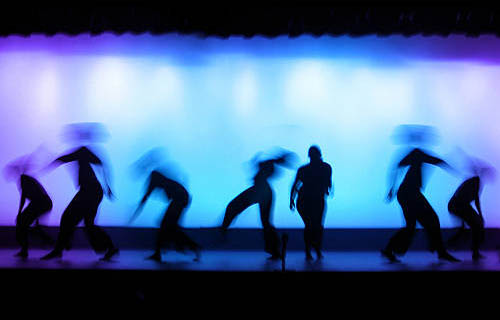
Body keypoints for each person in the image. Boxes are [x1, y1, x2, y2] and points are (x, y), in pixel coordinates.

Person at [381, 126, 460, 263]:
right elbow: (437, 161)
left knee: (412, 226)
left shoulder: (417, 153)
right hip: (409, 193)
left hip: (408, 193)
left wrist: (392, 189)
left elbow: (399, 167)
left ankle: (389, 249)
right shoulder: (417, 153)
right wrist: (454, 169)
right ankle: (440, 251)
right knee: (431, 220)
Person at [41, 145, 118, 261]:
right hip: (91, 191)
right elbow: (65, 158)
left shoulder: (82, 152)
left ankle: (60, 248)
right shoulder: (84, 156)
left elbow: (64, 158)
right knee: (88, 224)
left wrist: (48, 166)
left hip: (90, 192)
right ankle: (111, 248)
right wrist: (107, 187)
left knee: (68, 217)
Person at [221, 150, 296, 260]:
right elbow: (262, 165)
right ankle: (274, 249)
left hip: (262, 192)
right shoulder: (270, 164)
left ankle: (275, 249)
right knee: (263, 221)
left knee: (263, 221)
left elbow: (263, 165)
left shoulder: (270, 166)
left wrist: (263, 160)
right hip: (261, 191)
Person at [129, 169, 201, 262]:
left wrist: (135, 213)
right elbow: (146, 198)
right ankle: (190, 246)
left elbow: (165, 197)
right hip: (180, 199)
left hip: (181, 198)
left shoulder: (159, 180)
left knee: (166, 225)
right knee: (169, 226)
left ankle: (190, 246)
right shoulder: (159, 181)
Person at [4, 157, 53, 258]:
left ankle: (26, 249)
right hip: (43, 203)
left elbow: (24, 197)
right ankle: (47, 240)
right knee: (26, 225)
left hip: (40, 203)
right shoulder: (25, 178)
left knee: (21, 223)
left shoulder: (23, 179)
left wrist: (20, 212)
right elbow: (30, 196)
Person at [290, 146, 332, 260]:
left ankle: (312, 250)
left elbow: (295, 185)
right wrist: (291, 199)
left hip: (307, 200)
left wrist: (291, 199)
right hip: (312, 200)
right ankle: (314, 249)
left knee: (312, 226)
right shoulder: (326, 167)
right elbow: (328, 184)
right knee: (315, 226)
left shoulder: (305, 169)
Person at [447, 159, 494, 261]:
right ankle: (472, 251)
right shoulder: (474, 181)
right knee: (476, 226)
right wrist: (476, 216)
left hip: (459, 206)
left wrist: (480, 215)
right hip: (457, 205)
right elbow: (459, 196)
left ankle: (448, 245)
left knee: (473, 226)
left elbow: (476, 200)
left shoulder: (476, 182)